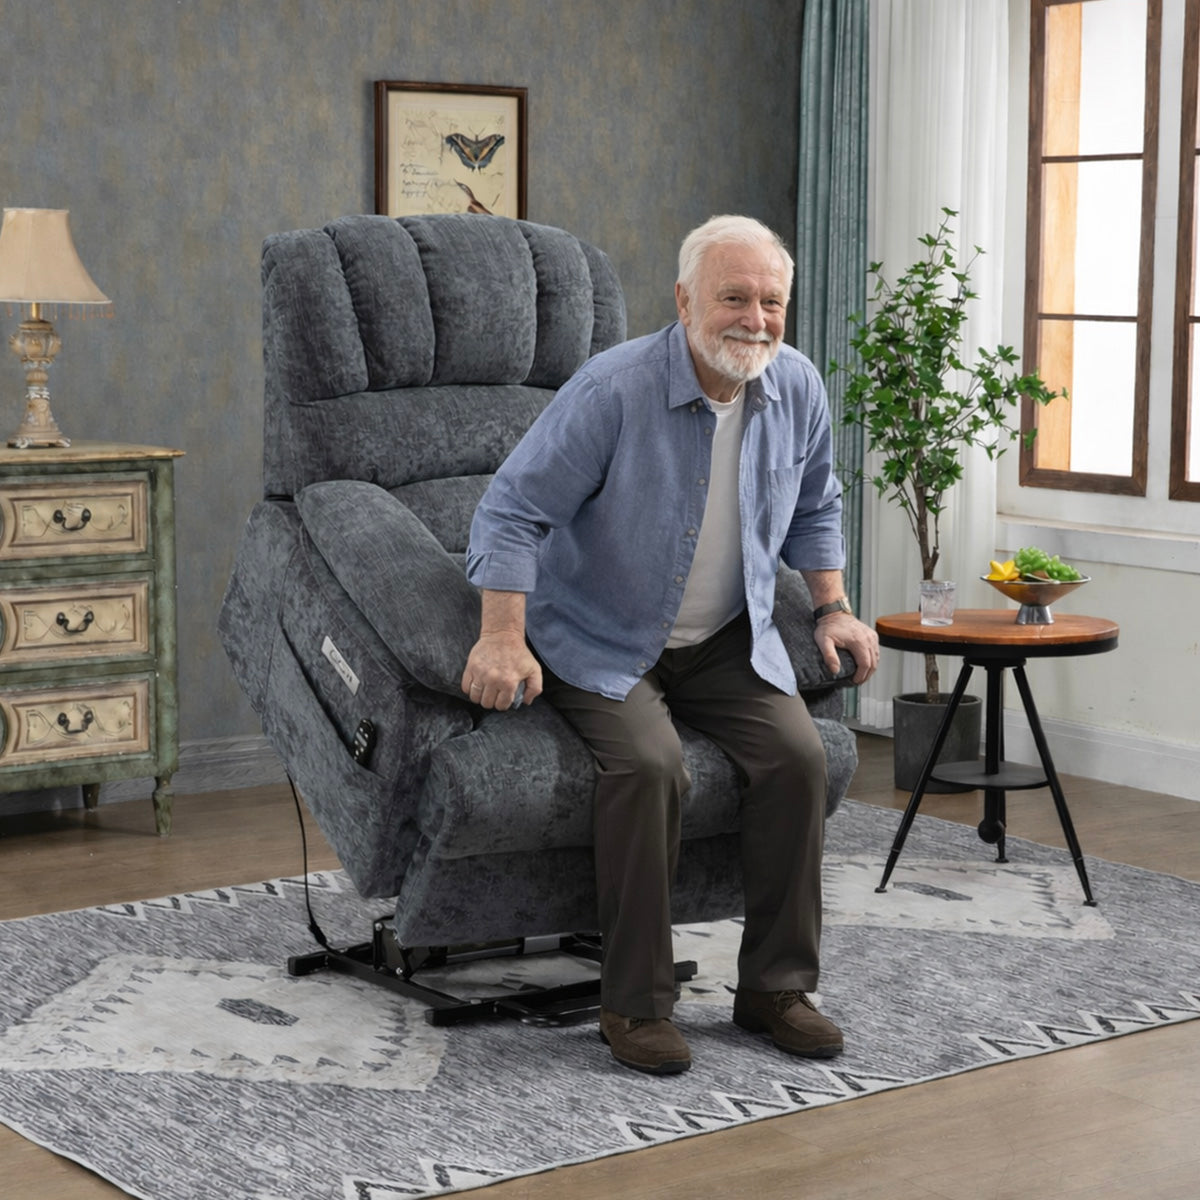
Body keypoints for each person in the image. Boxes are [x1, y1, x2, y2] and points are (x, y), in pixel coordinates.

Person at [461, 214, 879, 1075]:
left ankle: (774, 989)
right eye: (734, 297)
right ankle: (636, 1006)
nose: (754, 320)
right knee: (652, 768)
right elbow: (511, 510)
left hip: (730, 637)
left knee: (799, 758)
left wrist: (833, 608)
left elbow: (817, 504)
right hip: (602, 634)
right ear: (685, 299)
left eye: (771, 302)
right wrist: (502, 635)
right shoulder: (613, 389)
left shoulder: (795, 386)